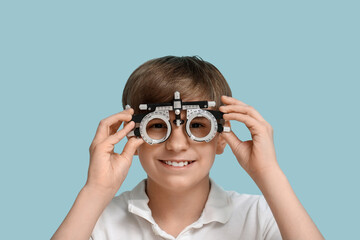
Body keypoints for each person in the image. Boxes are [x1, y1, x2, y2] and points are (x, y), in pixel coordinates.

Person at [52, 56, 324, 240]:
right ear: (132, 136)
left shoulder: (260, 216)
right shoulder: (97, 222)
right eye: (157, 126)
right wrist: (96, 190)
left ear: (221, 138)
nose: (177, 144)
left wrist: (269, 173)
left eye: (197, 126)